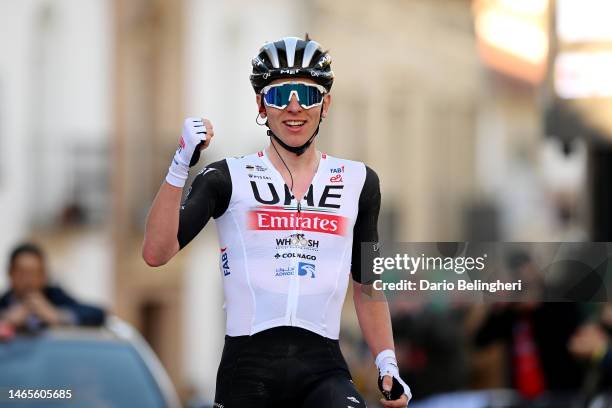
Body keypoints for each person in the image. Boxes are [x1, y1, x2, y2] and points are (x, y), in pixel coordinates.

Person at [142, 35, 411, 407]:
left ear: (326, 103)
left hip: (324, 369)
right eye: (281, 95)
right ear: (261, 104)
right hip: (248, 369)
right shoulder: (227, 177)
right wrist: (180, 163)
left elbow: (366, 287)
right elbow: (156, 252)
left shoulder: (359, 181)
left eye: (307, 93)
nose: (294, 108)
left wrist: (387, 362)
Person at [0, 242, 106, 332]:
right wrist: (6, 320)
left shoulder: (55, 296)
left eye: (35, 274)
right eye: (22, 273)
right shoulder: (3, 302)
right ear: (11, 273)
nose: (29, 281)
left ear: (44, 275)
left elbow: (97, 313)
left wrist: (57, 315)